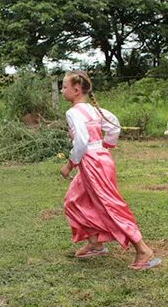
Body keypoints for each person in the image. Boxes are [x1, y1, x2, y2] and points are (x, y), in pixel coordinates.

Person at [60, 71, 160, 270]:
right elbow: (114, 127)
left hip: (91, 163)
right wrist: (103, 148)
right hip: (100, 159)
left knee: (110, 206)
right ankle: (95, 243)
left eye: (64, 87)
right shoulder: (94, 110)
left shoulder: (73, 113)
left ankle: (143, 250)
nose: (62, 90)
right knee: (74, 199)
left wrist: (69, 164)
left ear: (76, 89)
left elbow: (81, 141)